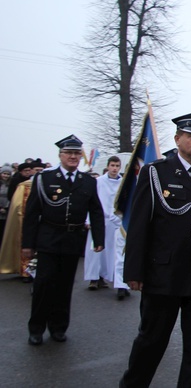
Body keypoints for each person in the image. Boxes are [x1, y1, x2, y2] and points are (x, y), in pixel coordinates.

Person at [119, 110, 191, 388]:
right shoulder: (156, 173)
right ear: (177, 138)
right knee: (151, 340)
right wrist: (134, 269)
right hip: (163, 274)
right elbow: (139, 226)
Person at [22, 136, 105, 345]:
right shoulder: (45, 179)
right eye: (69, 153)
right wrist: (27, 245)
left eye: (77, 153)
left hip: (72, 239)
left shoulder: (88, 181)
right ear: (60, 155)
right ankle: (37, 328)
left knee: (64, 286)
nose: (73, 157)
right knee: (43, 285)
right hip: (49, 238)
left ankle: (59, 327)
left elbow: (95, 210)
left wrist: (98, 238)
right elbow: (32, 213)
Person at [83, 156, 122, 291]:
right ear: (108, 166)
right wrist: (88, 219)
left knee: (110, 252)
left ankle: (104, 276)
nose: (114, 168)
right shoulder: (98, 182)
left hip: (115, 221)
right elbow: (91, 201)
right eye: (112, 165)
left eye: (117, 166)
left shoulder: (122, 183)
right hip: (99, 219)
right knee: (95, 250)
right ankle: (93, 278)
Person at [0, 164, 12, 248]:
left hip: (7, 210)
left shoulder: (11, 184)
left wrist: (6, 208)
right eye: (4, 173)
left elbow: (11, 197)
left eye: (8, 174)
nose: (6, 176)